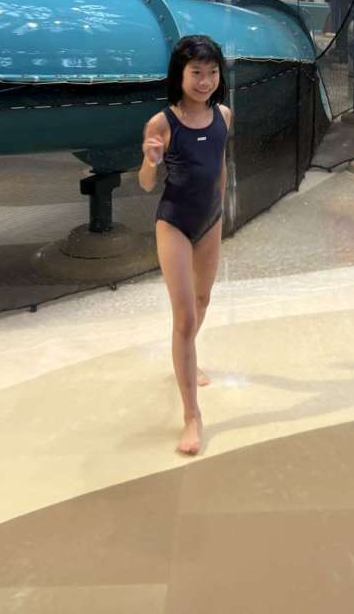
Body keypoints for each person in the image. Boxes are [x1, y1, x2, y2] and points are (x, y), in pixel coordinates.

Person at [139, 36, 232, 456]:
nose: (205, 81)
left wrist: (222, 212)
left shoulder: (223, 116)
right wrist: (150, 161)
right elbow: (145, 184)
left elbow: (220, 167)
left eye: (212, 72)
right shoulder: (161, 123)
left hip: (210, 220)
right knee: (184, 316)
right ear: (180, 74)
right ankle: (192, 416)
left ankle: (188, 356)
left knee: (203, 299)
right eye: (196, 72)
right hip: (174, 223)